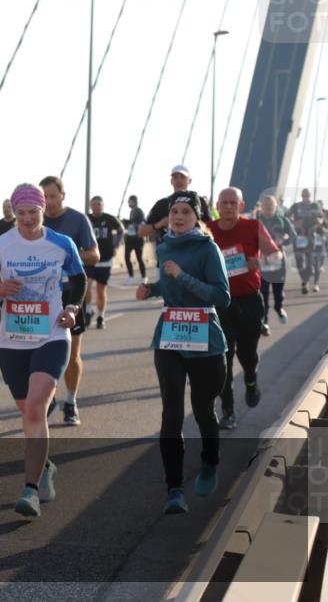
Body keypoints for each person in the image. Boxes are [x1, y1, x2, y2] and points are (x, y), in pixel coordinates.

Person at [0, 184, 86, 517]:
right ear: (13, 213)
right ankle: (46, 467)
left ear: (43, 209)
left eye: (33, 212)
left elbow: (78, 280)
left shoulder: (61, 243)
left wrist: (73, 309)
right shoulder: (1, 245)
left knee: (35, 409)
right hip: (12, 341)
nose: (28, 219)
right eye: (21, 213)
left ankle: (30, 491)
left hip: (51, 336)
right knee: (28, 414)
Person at [136, 191, 230, 514]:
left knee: (203, 409)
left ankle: (210, 461)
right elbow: (169, 285)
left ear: (197, 218)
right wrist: (152, 289)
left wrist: (182, 276)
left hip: (205, 339)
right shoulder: (164, 248)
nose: (177, 216)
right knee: (172, 414)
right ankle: (174, 490)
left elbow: (221, 296)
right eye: (174, 211)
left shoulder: (208, 249)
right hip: (171, 337)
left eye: (185, 211)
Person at [206, 188, 278, 430]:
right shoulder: (208, 230)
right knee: (221, 359)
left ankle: (250, 378)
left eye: (232, 203)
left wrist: (262, 262)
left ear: (241, 204)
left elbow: (277, 256)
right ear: (217, 205)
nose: (228, 207)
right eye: (224, 203)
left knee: (246, 355)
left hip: (248, 301)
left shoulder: (253, 227)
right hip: (220, 304)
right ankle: (228, 411)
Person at [39, 176, 99, 426]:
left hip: (70, 296)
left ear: (63, 195)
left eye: (53, 196)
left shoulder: (77, 220)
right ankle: (47, 398)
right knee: (40, 355)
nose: (49, 202)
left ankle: (71, 401)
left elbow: (94, 255)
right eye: (44, 197)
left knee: (72, 355)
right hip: (40, 298)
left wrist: (67, 255)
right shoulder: (33, 222)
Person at [139, 165, 212, 243]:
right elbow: (141, 232)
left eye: (182, 177)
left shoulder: (200, 202)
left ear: (189, 181)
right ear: (171, 181)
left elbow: (211, 228)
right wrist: (160, 224)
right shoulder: (161, 204)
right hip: (167, 252)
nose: (178, 180)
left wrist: (194, 224)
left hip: (196, 251)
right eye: (175, 177)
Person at [255, 194, 295, 334]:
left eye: (270, 204)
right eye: (265, 204)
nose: (268, 207)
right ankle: (264, 322)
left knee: (278, 292)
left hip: (279, 261)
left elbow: (293, 237)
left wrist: (283, 240)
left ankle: (278, 307)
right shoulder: (256, 222)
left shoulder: (283, 221)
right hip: (262, 262)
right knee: (263, 293)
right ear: (261, 206)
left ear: (276, 206)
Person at [85, 196, 125, 329]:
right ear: (90, 205)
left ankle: (101, 316)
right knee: (87, 285)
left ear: (103, 205)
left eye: (98, 204)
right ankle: (88, 311)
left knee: (101, 290)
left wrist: (115, 246)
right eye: (94, 204)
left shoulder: (109, 219)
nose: (96, 206)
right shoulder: (86, 219)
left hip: (105, 259)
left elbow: (121, 230)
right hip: (89, 258)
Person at [0, 198, 16, 323]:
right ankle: (2, 309)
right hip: (0, 260)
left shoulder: (17, 224)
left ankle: (12, 309)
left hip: (14, 261)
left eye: (8, 206)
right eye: (4, 207)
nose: (6, 209)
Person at [296, 213, 326, 294]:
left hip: (319, 250)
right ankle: (306, 282)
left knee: (317, 267)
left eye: (319, 218)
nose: (317, 219)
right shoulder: (307, 226)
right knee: (305, 267)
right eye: (315, 218)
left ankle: (316, 284)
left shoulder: (323, 226)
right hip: (307, 249)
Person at [122, 195, 147, 284]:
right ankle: (131, 277)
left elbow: (138, 222)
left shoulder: (139, 211)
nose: (128, 203)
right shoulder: (132, 211)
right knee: (126, 257)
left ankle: (144, 277)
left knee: (139, 258)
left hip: (138, 238)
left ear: (133, 201)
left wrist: (126, 222)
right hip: (129, 238)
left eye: (129, 201)